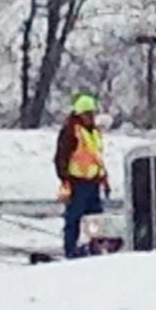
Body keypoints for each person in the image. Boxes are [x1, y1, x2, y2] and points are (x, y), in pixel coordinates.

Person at [55, 92, 110, 258]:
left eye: (92, 113)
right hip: (77, 183)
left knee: (96, 218)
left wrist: (103, 178)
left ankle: (96, 247)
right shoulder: (71, 132)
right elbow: (61, 157)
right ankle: (70, 249)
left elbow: (96, 157)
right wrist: (65, 179)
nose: (90, 117)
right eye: (87, 114)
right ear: (79, 115)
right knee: (74, 219)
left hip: (92, 182)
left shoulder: (93, 132)